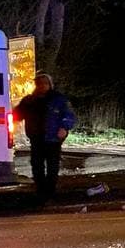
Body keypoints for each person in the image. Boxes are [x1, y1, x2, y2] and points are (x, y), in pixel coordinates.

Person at [12, 72, 76, 204]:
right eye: (39, 84)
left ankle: (50, 192)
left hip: (53, 139)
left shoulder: (59, 99)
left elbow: (69, 115)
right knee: (37, 166)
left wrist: (64, 127)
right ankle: (41, 191)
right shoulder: (30, 101)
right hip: (36, 138)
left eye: (45, 83)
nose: (42, 86)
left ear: (50, 84)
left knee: (52, 166)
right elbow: (17, 114)